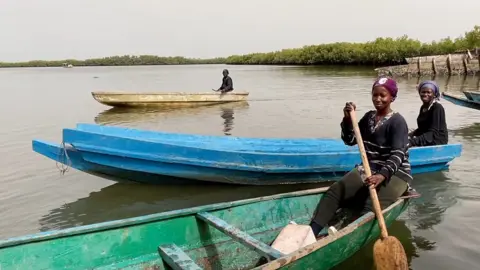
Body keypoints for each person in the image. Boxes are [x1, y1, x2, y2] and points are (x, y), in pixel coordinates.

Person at [309, 77, 412, 237]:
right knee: (335, 192)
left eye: (382, 95)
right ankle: (311, 233)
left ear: (392, 98)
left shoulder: (398, 122)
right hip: (369, 168)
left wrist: (382, 175)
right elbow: (349, 140)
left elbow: (398, 154)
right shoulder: (368, 118)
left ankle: (342, 236)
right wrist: (347, 120)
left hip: (395, 174)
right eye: (375, 95)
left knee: (370, 207)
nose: (378, 99)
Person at [408, 80, 448, 147]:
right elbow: (422, 129)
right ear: (419, 93)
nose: (425, 94)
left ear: (434, 94)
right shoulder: (423, 107)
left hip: (437, 142)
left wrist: (412, 142)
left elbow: (432, 133)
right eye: (423, 92)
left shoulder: (437, 108)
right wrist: (410, 135)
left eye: (429, 92)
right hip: (427, 139)